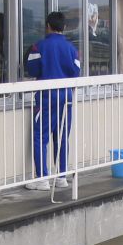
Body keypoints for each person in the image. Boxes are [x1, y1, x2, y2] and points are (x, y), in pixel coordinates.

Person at [25, 11, 81, 191]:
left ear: (47, 26)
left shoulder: (38, 46)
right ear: (64, 28)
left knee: (41, 137)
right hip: (66, 97)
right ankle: (61, 177)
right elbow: (76, 72)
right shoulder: (72, 49)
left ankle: (42, 180)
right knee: (62, 136)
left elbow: (32, 70)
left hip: (46, 97)